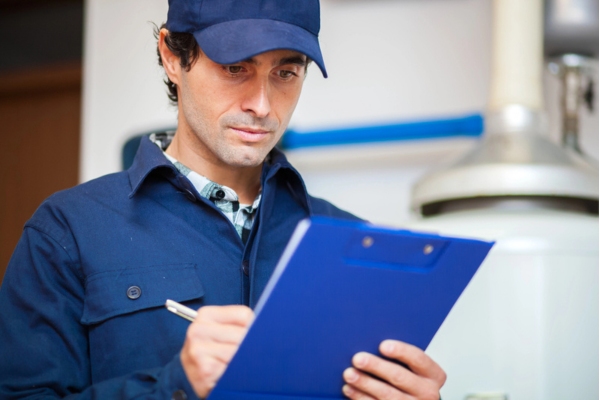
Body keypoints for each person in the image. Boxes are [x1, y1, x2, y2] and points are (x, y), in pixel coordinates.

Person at [0, 0, 446, 399]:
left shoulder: (355, 243)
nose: (262, 104)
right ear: (172, 55)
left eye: (285, 72)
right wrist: (176, 387)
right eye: (236, 67)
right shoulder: (67, 231)